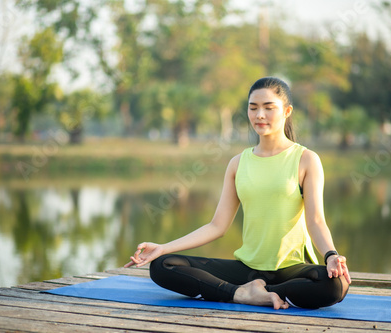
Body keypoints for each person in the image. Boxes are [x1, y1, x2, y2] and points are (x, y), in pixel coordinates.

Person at [125, 77, 351, 310]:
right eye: (253, 108)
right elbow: (217, 226)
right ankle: (241, 293)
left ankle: (256, 293)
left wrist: (330, 255)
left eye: (268, 108)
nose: (259, 115)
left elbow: (315, 221)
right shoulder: (237, 163)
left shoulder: (305, 159)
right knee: (164, 265)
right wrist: (163, 247)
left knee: (335, 285)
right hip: (246, 269)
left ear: (287, 111)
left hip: (290, 269)